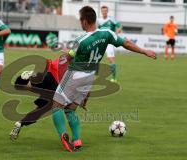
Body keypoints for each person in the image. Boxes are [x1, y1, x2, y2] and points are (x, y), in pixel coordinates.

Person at [10, 6, 156, 152]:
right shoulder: (107, 33)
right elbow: (127, 43)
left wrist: (67, 53)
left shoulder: (81, 40)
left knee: (56, 106)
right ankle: (77, 140)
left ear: (85, 22)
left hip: (74, 75)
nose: (80, 23)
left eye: (80, 20)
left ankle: (63, 135)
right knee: (71, 110)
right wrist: (144, 51)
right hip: (89, 77)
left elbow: (69, 57)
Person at [10, 54, 83, 150]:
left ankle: (21, 123)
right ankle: (76, 140)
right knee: (68, 110)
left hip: (58, 84)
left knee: (54, 109)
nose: (27, 90)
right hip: (63, 83)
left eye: (24, 88)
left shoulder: (38, 80)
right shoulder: (39, 78)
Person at [97, 5, 122, 82]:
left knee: (111, 60)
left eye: (105, 11)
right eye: (103, 11)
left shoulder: (111, 19)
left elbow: (120, 26)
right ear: (101, 12)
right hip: (101, 42)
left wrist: (116, 34)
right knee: (95, 58)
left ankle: (114, 78)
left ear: (107, 11)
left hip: (109, 43)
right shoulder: (99, 20)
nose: (104, 12)